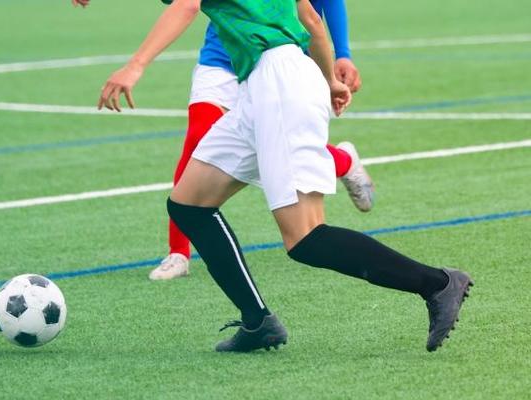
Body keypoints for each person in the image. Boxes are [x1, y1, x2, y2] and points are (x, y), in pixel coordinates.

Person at [95, 0, 473, 353]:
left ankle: (437, 284)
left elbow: (188, 4)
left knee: (306, 238)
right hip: (265, 84)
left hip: (278, 84)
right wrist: (328, 80)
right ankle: (258, 322)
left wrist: (136, 65)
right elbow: (311, 20)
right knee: (188, 205)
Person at [148, 0, 370, 280]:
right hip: (221, 58)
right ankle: (178, 252)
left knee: (277, 153)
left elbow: (318, 9)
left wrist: (343, 53)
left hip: (274, 58)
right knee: (198, 139)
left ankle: (343, 162)